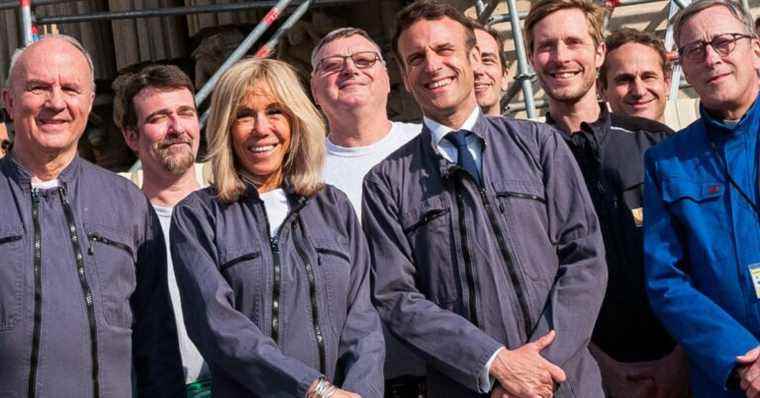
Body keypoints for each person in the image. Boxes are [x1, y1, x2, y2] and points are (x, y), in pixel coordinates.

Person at [362, 1, 607, 397]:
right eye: (416, 58)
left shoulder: (539, 145)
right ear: (404, 76)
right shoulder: (386, 183)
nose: (433, 66)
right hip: (472, 388)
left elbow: (585, 258)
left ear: (473, 58)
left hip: (565, 383)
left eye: (444, 50)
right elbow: (397, 297)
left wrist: (540, 367)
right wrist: (494, 364)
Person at [170, 57, 385, 398]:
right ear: (225, 127)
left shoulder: (334, 206)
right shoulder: (198, 216)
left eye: (275, 111)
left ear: (295, 120)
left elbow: (363, 318)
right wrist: (314, 391)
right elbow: (217, 326)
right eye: (243, 115)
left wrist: (362, 392)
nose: (261, 128)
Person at [0, 35, 183, 397]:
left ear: (88, 101)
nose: (56, 103)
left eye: (70, 89)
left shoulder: (128, 205)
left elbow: (156, 341)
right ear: (8, 100)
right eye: (38, 87)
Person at [524, 2, 687, 397]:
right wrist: (596, 363)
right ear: (530, 57)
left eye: (574, 42)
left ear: (598, 53)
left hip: (683, 365)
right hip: (583, 373)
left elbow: (699, 257)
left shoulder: (657, 144)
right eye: (546, 46)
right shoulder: (521, 160)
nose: (561, 57)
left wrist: (682, 357)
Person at [644, 1, 760, 397]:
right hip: (732, 377)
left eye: (724, 42)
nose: (711, 58)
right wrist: (740, 355)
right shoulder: (667, 161)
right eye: (695, 50)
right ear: (684, 67)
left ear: (755, 48)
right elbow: (666, 280)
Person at [310, 27, 424, 398]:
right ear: (314, 89)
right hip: (354, 376)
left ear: (389, 79)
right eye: (332, 65)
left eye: (363, 61)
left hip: (447, 364)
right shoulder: (301, 175)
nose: (350, 70)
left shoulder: (427, 147)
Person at [112, 64, 211, 396]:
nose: (176, 128)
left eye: (185, 113)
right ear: (130, 136)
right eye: (158, 118)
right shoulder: (114, 224)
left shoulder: (237, 208)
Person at [600, 28, 672, 123]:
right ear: (602, 90)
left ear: (667, 83)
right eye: (624, 79)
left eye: (648, 77)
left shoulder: (695, 136)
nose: (639, 91)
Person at [472, 22, 508, 116]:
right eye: (468, 62)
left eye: (487, 60)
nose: (478, 70)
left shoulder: (533, 130)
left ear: (504, 76)